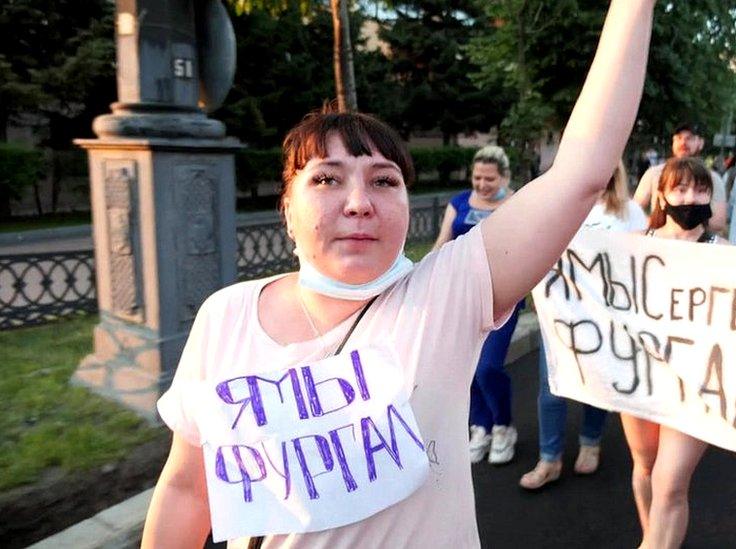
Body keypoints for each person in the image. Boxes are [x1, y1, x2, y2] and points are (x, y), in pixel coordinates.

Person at [140, 1, 658, 547]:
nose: (359, 202)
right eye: (327, 180)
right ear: (286, 207)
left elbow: (581, 170)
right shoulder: (226, 316)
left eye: (384, 181)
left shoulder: (448, 292)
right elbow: (187, 488)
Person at [519, 161, 646, 490]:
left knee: (597, 385)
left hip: (608, 315)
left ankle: (590, 442)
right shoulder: (557, 205)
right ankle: (550, 459)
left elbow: (644, 255)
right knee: (552, 389)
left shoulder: (629, 211)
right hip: (561, 312)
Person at [623, 157, 724, 549]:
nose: (690, 197)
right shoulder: (632, 246)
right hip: (641, 374)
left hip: (696, 382)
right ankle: (652, 536)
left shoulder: (725, 252)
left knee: (671, 482)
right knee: (646, 468)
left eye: (700, 190)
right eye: (680, 189)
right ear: (662, 194)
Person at [433, 145, 522, 464]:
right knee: (465, 367)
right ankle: (480, 425)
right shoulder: (459, 203)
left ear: (504, 177)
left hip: (502, 296)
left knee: (488, 367)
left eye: (490, 179)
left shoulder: (516, 204)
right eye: (477, 177)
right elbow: (443, 243)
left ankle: (503, 425)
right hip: (461, 295)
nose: (482, 184)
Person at [634, 123, 728, 231]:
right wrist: (660, 225)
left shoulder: (712, 178)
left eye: (689, 138)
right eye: (679, 138)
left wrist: (690, 220)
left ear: (700, 143)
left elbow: (718, 222)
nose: (683, 142)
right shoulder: (654, 173)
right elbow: (634, 210)